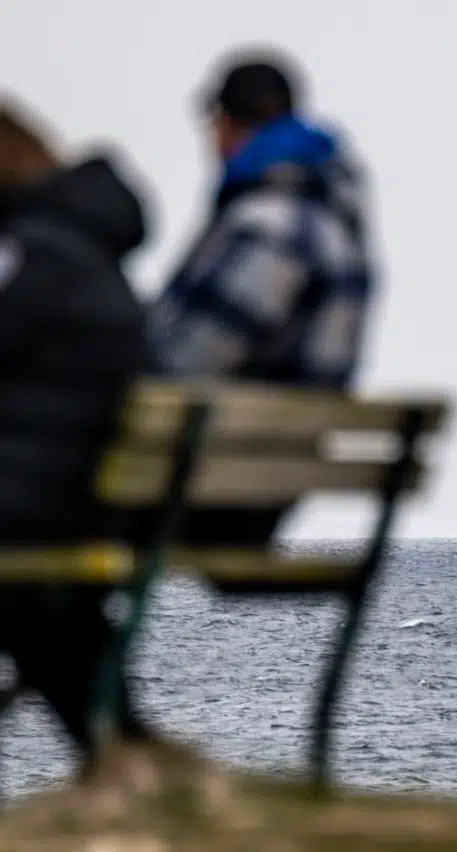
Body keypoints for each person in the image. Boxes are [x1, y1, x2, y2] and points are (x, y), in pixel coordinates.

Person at [149, 49, 376, 545]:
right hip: (269, 486)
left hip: (208, 491)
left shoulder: (271, 227)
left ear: (226, 123)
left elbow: (186, 361)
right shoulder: (342, 228)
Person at [0, 101, 162, 775]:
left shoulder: (34, 257)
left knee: (37, 602)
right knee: (44, 612)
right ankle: (124, 756)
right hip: (79, 497)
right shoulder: (83, 254)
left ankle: (123, 756)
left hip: (37, 504)